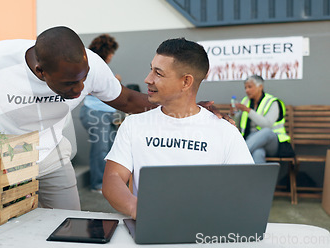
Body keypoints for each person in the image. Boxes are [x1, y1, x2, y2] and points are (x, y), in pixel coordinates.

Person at [0, 26, 224, 211]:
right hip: (3, 156)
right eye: (70, 84)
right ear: (40, 71)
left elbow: (128, 100)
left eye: (84, 79)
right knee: (7, 226)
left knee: (69, 224)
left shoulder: (91, 65)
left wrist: (186, 107)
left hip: (51, 155)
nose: (80, 89)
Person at [102, 38, 254, 219]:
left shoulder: (225, 131)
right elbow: (113, 178)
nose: (148, 79)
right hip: (149, 229)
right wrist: (137, 208)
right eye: (151, 69)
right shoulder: (133, 124)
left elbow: (246, 189)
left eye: (158, 73)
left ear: (186, 82)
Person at [79, 34, 121, 193]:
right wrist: (114, 81)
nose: (112, 56)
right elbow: (87, 89)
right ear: (106, 52)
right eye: (111, 52)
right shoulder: (91, 66)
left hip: (106, 113)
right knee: (101, 149)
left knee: (109, 150)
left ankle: (107, 184)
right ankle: (97, 185)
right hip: (95, 113)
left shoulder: (101, 66)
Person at [232, 75, 293, 164]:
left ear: (260, 87)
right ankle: (259, 178)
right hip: (251, 139)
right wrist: (233, 114)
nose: (247, 90)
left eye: (250, 87)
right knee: (258, 153)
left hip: (272, 142)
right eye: (245, 88)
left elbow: (267, 125)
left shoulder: (272, 102)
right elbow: (236, 124)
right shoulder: (246, 101)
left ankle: (237, 155)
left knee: (267, 131)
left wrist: (248, 110)